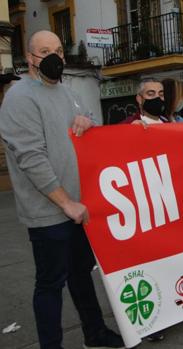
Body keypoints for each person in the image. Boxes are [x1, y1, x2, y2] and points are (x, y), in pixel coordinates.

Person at [0, 30, 124, 349]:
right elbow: (30, 157)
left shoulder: (68, 92)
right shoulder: (19, 97)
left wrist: (87, 120)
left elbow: (89, 122)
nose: (53, 56)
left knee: (81, 273)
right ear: (30, 58)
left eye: (58, 49)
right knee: (50, 283)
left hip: (79, 209)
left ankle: (94, 333)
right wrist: (66, 202)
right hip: (50, 212)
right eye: (44, 50)